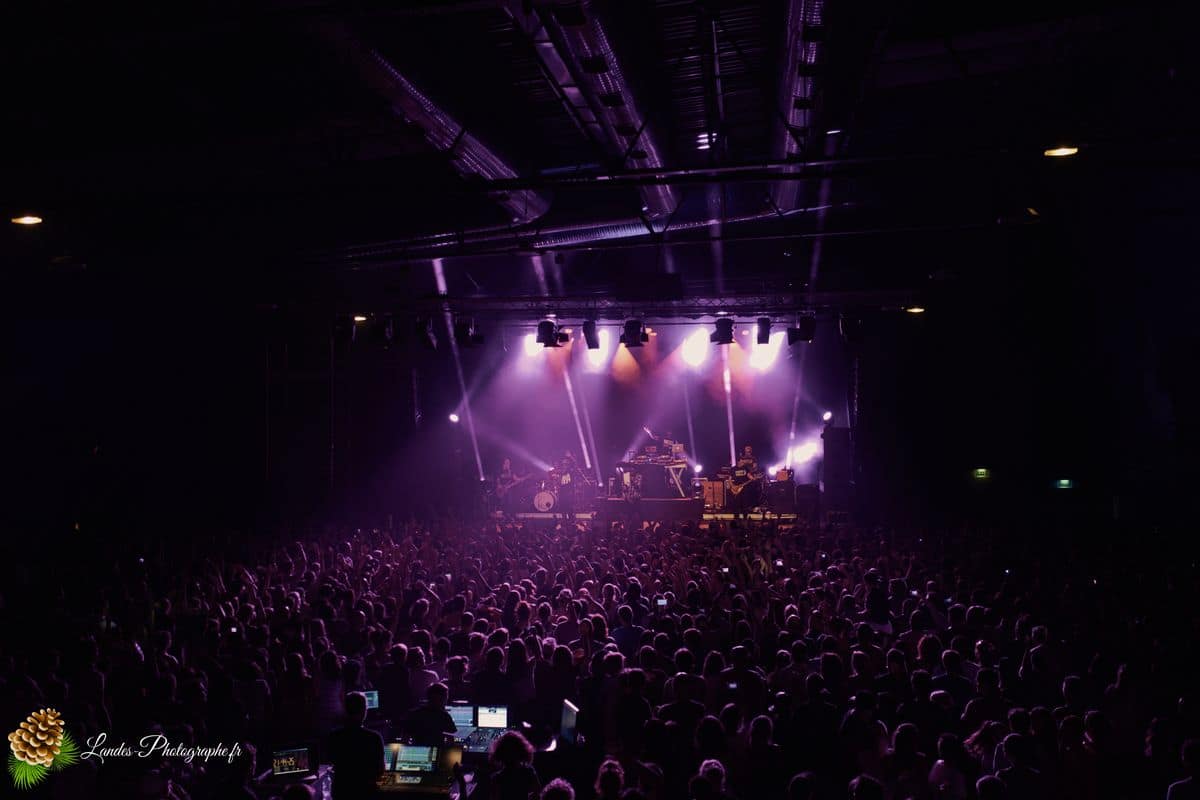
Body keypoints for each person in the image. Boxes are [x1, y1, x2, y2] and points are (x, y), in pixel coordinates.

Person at [326, 692, 385, 800]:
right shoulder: (374, 738)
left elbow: (329, 763)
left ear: (345, 710)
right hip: (367, 793)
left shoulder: (334, 736)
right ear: (364, 711)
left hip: (342, 792)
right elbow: (380, 771)